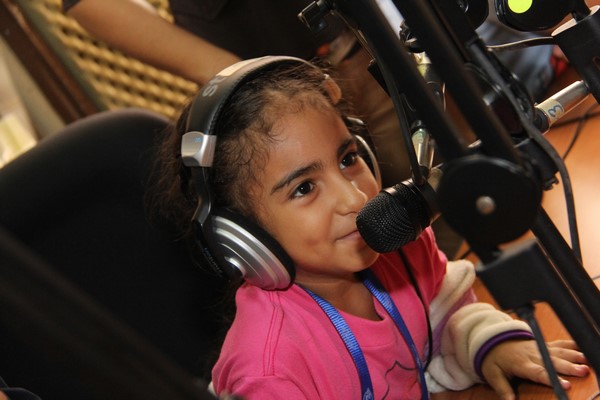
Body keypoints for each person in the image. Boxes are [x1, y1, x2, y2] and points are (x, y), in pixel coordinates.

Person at [146, 55, 589, 400]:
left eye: (348, 159)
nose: (355, 199)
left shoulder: (397, 243)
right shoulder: (270, 371)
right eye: (304, 188)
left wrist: (488, 344)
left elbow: (445, 315)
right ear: (241, 237)